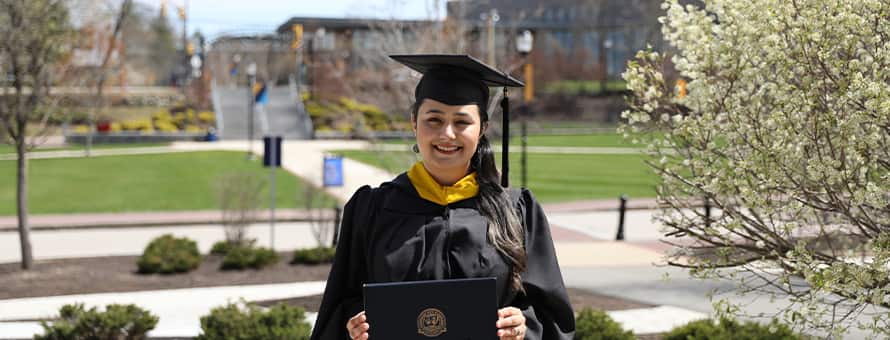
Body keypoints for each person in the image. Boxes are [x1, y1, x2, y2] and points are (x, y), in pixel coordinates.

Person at [310, 55, 575, 340]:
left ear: (483, 129)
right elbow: (340, 307)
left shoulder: (516, 211)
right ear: (414, 122)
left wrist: (524, 326)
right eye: (433, 120)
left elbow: (551, 317)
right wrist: (354, 327)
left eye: (462, 122)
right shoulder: (372, 210)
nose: (447, 134)